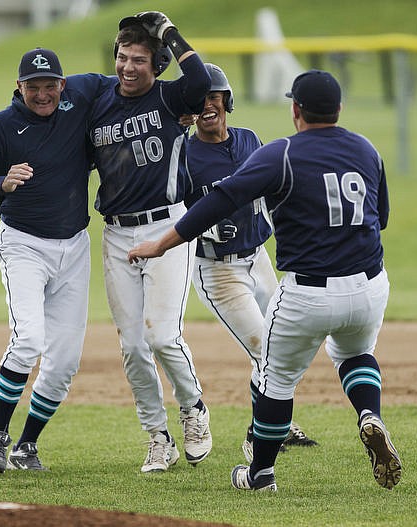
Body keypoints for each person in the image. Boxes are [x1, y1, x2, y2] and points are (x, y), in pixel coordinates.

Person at [128, 70, 401, 491]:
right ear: (340, 109)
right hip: (369, 284)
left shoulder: (280, 152)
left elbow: (220, 199)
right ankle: (369, 415)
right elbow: (379, 219)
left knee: (274, 377)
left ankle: (260, 473)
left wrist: (163, 244)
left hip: (307, 289)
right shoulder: (366, 149)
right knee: (354, 354)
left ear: (296, 110)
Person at [0, 48, 113, 472]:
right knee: (27, 341)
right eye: (33, 86)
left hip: (75, 246)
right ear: (18, 87)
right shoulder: (1, 127)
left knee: (64, 361)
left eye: (49, 85)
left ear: (62, 85)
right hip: (23, 245)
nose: (42, 94)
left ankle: (26, 446)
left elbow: (128, 85)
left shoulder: (80, 96)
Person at [88, 12, 213, 473]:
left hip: (167, 227)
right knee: (132, 346)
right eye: (122, 58)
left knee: (162, 335)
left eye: (139, 59)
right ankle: (157, 436)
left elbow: (200, 77)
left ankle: (194, 408)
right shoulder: (99, 101)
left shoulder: (170, 96)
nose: (127, 67)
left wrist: (168, 33)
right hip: (117, 232)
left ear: (156, 64)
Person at [179, 63, 317, 461]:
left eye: (214, 96)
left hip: (258, 259)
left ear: (227, 101)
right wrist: (203, 229)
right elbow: (173, 209)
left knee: (284, 344)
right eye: (201, 99)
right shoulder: (184, 155)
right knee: (266, 350)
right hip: (218, 271)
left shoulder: (249, 139)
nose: (208, 105)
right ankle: (260, 434)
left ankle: (275, 422)